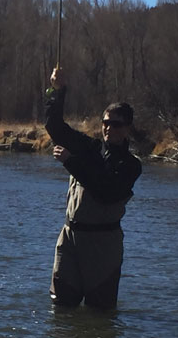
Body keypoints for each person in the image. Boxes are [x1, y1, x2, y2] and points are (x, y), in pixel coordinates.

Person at [43, 67, 141, 309]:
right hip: (70, 237)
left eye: (116, 125)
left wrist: (71, 161)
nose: (109, 128)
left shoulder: (130, 165)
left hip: (103, 244)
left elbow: (105, 191)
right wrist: (57, 92)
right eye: (106, 123)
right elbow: (55, 128)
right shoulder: (90, 147)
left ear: (127, 128)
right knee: (61, 306)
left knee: (100, 311)